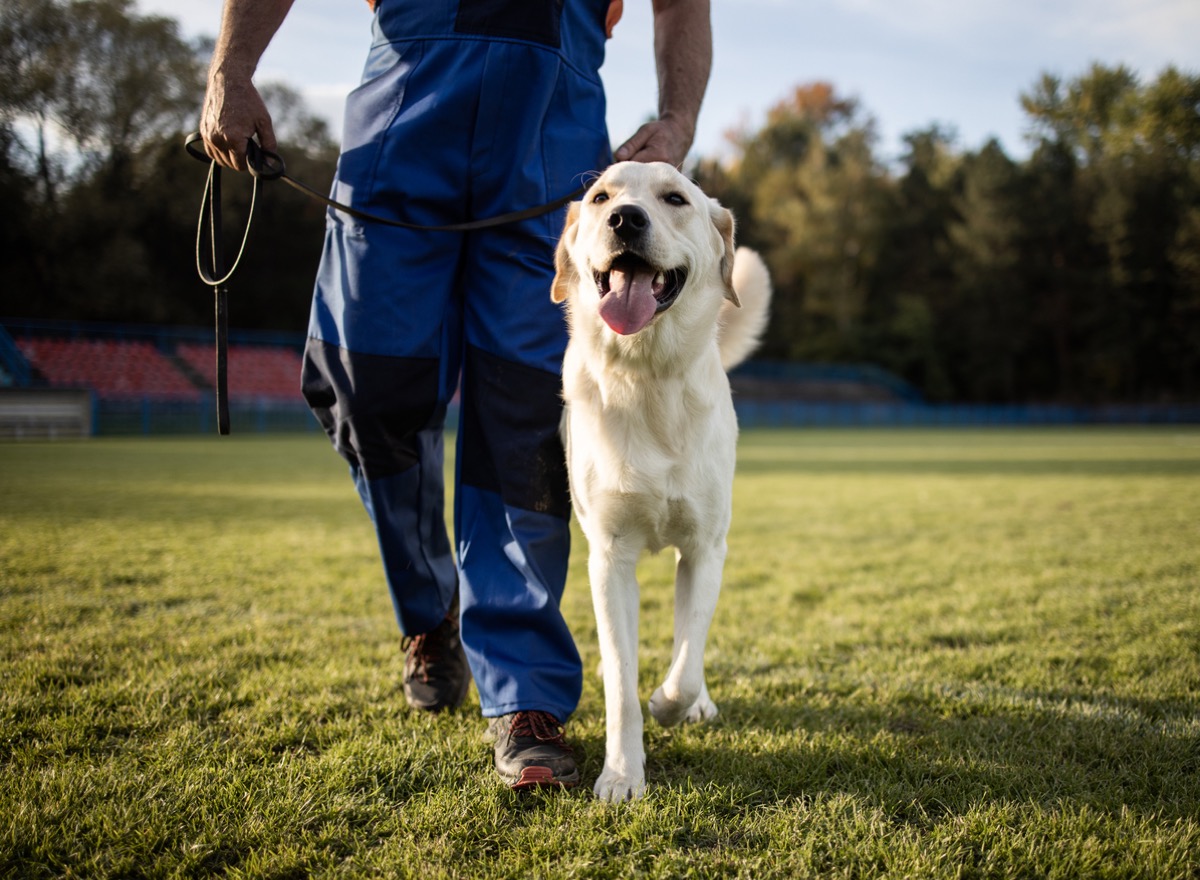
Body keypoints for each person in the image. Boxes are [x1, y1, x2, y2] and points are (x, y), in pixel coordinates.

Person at [199, 0, 711, 790]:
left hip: (551, 132)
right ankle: (429, 612)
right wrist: (231, 69)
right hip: (403, 116)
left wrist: (678, 116)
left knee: (528, 423)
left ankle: (526, 697)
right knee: (363, 390)